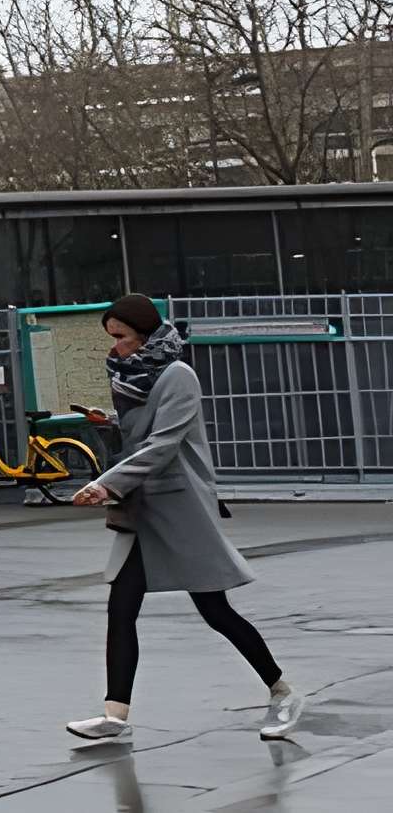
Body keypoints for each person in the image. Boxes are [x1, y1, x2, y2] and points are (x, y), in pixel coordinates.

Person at [65, 296, 301, 744]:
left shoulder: (177, 375)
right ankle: (115, 714)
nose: (115, 348)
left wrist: (106, 485)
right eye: (111, 338)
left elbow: (164, 443)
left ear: (145, 333)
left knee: (215, 611)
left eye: (121, 337)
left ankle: (282, 692)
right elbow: (140, 437)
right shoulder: (133, 376)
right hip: (144, 508)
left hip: (180, 508)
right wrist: (110, 424)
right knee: (121, 607)